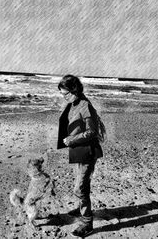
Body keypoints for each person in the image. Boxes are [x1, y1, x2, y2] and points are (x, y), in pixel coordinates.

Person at [57, 74, 106, 238]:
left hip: (87, 151)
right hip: (79, 150)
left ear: (74, 90)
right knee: (82, 185)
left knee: (80, 188)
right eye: (62, 94)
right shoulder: (73, 104)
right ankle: (82, 209)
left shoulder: (85, 105)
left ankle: (87, 223)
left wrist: (72, 139)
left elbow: (92, 132)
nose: (64, 97)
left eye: (66, 94)